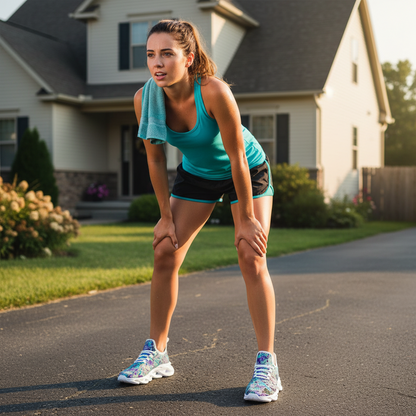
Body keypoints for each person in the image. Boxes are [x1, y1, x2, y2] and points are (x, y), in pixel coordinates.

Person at [117, 19, 282, 403]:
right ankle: (157, 352)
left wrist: (246, 219)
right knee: (164, 250)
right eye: (150, 55)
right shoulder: (145, 99)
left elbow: (238, 156)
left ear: (188, 58)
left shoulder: (214, 92)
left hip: (246, 170)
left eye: (167, 54)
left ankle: (267, 364)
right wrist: (165, 216)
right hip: (197, 175)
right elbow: (155, 161)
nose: (157, 63)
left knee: (250, 254)